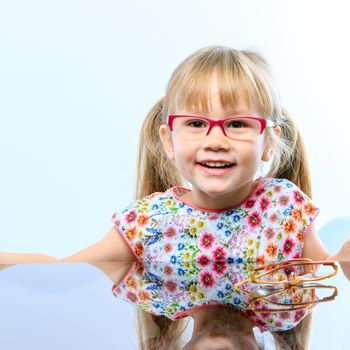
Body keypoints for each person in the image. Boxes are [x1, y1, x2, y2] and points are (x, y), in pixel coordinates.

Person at [1, 45, 349, 350]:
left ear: (269, 142)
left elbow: (330, 266)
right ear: (169, 141)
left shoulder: (283, 208)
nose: (215, 140)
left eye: (238, 124)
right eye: (196, 124)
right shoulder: (148, 223)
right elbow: (66, 272)